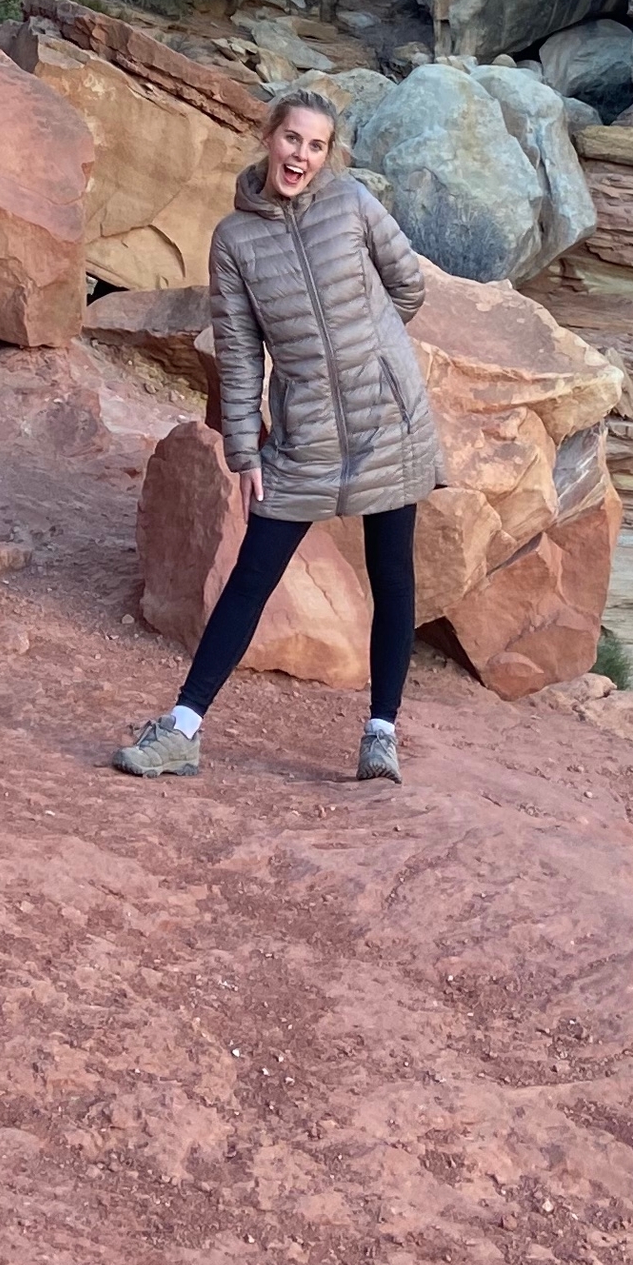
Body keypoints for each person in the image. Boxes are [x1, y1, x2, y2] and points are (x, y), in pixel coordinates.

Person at [114, 85, 441, 784]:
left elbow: (407, 285)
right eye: (293, 139)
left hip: (389, 423)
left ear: (330, 156)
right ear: (270, 137)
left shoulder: (352, 206)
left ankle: (381, 732)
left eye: (317, 146)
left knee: (393, 575)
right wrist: (242, 447)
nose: (302, 157)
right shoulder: (235, 240)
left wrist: (372, 356)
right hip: (305, 438)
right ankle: (181, 730)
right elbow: (237, 354)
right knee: (250, 578)